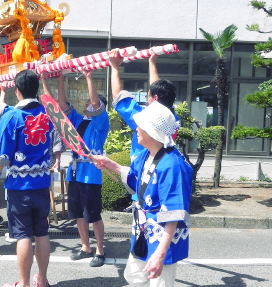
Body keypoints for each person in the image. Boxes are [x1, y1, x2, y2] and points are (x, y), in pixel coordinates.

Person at [92, 101, 192, 286]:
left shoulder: (172, 165)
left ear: (152, 131)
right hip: (144, 230)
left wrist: (161, 253)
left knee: (159, 283)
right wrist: (110, 164)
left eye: (140, 126)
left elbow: (174, 213)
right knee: (135, 276)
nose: (136, 129)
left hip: (162, 236)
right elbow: (136, 178)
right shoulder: (147, 154)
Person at [0, 70, 53, 287]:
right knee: (41, 232)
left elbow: (0, 158)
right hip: (42, 182)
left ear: (17, 91)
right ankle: (41, 280)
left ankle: (23, 283)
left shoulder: (11, 117)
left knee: (23, 235)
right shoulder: (48, 114)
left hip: (19, 185)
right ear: (37, 89)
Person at [41, 70, 109, 267]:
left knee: (93, 214)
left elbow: (96, 104)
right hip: (75, 172)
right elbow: (60, 107)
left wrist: (88, 77)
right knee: (78, 213)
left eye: (90, 102)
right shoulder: (79, 121)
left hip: (91, 175)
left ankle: (100, 250)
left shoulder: (100, 123)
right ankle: (85, 246)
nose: (87, 103)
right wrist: (59, 80)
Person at [109, 49, 179, 159]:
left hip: (144, 167)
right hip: (161, 161)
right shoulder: (171, 118)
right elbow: (155, 89)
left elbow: (118, 97)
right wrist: (151, 62)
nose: (147, 99)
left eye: (148, 96)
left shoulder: (147, 118)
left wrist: (114, 65)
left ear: (155, 98)